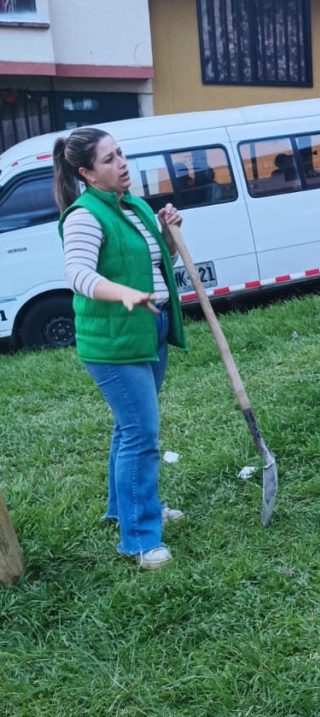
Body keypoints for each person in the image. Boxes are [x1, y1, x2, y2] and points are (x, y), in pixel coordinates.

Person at [54, 127, 187, 570]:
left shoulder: (135, 206)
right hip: (113, 343)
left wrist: (168, 232)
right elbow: (77, 273)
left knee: (128, 428)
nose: (122, 164)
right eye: (109, 159)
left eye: (121, 154)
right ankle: (141, 539)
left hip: (148, 331)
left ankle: (125, 510)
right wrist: (122, 294)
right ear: (86, 172)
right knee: (141, 436)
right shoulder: (84, 216)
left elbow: (155, 261)